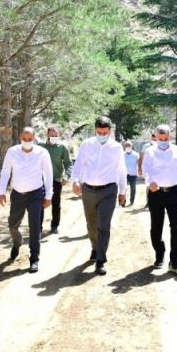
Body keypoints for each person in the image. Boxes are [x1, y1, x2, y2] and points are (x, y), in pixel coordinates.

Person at [71, 116, 127, 275]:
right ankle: (95, 248)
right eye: (99, 132)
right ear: (95, 130)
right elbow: (78, 164)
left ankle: (101, 260)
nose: (102, 135)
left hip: (108, 191)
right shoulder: (86, 144)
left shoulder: (116, 147)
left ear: (110, 131)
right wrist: (75, 181)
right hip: (88, 190)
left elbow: (121, 169)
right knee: (91, 224)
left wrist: (123, 192)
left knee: (104, 226)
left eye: (105, 132)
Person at [0, 127, 53, 273]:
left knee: (35, 226)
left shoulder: (42, 153)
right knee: (12, 224)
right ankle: (17, 242)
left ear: (34, 139)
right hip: (17, 193)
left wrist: (49, 195)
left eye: (30, 139)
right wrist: (1, 191)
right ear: (20, 138)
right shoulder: (12, 152)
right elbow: (6, 171)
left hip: (36, 193)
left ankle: (34, 259)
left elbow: (48, 174)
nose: (27, 141)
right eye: (24, 139)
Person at [141, 125, 177, 273]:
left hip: (174, 192)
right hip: (156, 193)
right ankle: (159, 255)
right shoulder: (150, 151)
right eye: (160, 139)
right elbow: (145, 169)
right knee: (156, 226)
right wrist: (150, 181)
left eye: (166, 138)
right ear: (155, 137)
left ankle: (174, 261)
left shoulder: (176, 150)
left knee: (176, 227)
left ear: (170, 137)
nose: (163, 141)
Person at [40, 126, 72, 235]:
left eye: (56, 135)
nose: (54, 137)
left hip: (56, 180)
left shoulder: (62, 148)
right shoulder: (40, 147)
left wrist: (67, 176)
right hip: (41, 180)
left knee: (56, 204)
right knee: (39, 204)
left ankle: (54, 226)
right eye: (52, 135)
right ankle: (38, 228)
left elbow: (68, 164)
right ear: (47, 135)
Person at [138, 133, 156, 210]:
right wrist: (140, 168)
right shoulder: (146, 146)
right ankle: (148, 202)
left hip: (158, 169)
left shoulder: (162, 146)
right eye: (153, 137)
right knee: (149, 185)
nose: (154, 139)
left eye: (156, 137)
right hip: (148, 169)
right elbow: (141, 157)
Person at [123, 140, 139, 206]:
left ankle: (132, 201)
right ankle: (123, 201)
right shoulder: (122, 154)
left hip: (133, 174)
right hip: (124, 174)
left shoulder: (136, 154)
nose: (128, 147)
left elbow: (139, 163)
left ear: (131, 146)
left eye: (129, 145)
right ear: (124, 147)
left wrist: (140, 171)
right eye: (126, 146)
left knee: (133, 188)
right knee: (123, 188)